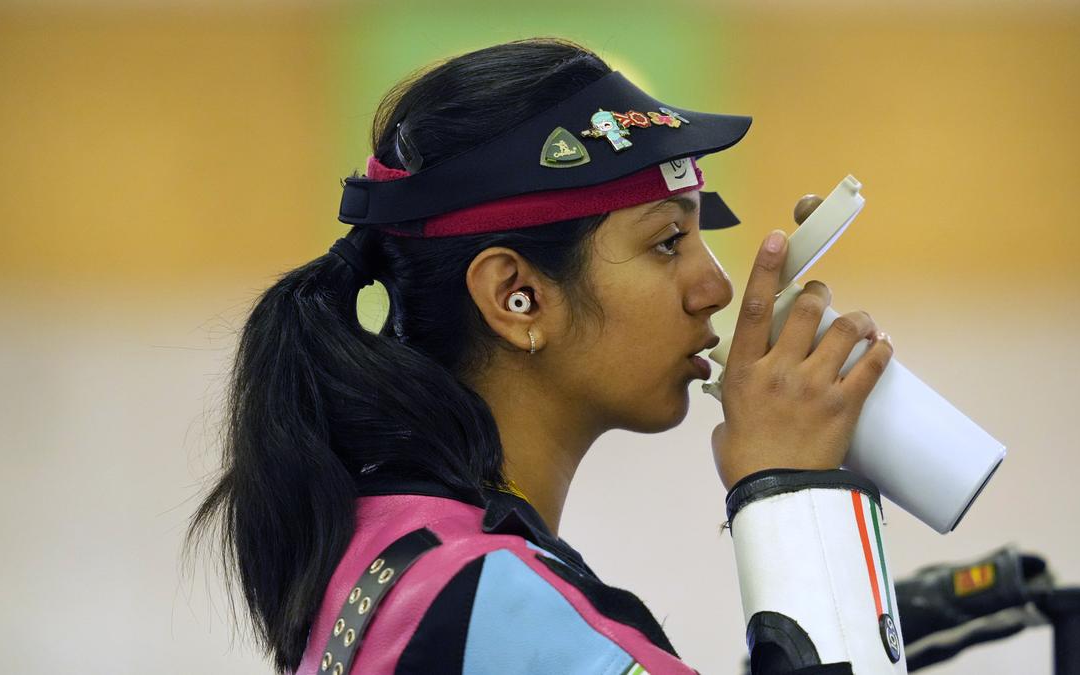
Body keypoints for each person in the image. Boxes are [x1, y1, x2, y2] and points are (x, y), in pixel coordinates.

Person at [188, 37, 902, 674]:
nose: (715, 286)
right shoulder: (503, 604)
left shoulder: (384, 534)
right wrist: (796, 498)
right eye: (667, 242)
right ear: (516, 294)